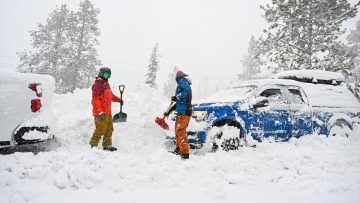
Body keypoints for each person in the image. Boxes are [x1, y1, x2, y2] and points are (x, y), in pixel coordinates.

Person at [90, 67, 123, 151]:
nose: (107, 76)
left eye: (109, 75)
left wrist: (119, 100)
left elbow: (111, 96)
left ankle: (107, 145)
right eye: (106, 74)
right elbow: (95, 100)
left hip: (107, 112)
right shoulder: (97, 85)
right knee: (100, 129)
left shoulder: (106, 84)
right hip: (100, 113)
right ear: (101, 74)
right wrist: (99, 112)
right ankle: (93, 145)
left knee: (109, 129)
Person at [164, 70, 192, 159]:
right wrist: (169, 111)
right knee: (178, 131)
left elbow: (187, 90)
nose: (176, 76)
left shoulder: (182, 81)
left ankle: (185, 153)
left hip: (184, 113)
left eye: (177, 75)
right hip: (181, 113)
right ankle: (179, 149)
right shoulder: (181, 85)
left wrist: (177, 97)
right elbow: (178, 104)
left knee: (181, 131)